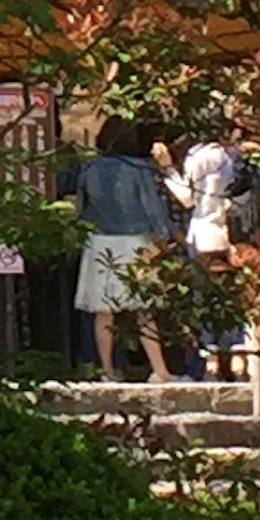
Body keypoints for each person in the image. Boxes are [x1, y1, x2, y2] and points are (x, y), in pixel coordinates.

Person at [70, 118, 181, 388]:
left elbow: (81, 208)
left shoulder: (89, 168)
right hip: (135, 240)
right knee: (144, 308)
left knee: (103, 310)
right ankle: (159, 370)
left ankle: (107, 369)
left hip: (99, 240)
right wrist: (166, 236)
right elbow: (152, 208)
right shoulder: (139, 169)